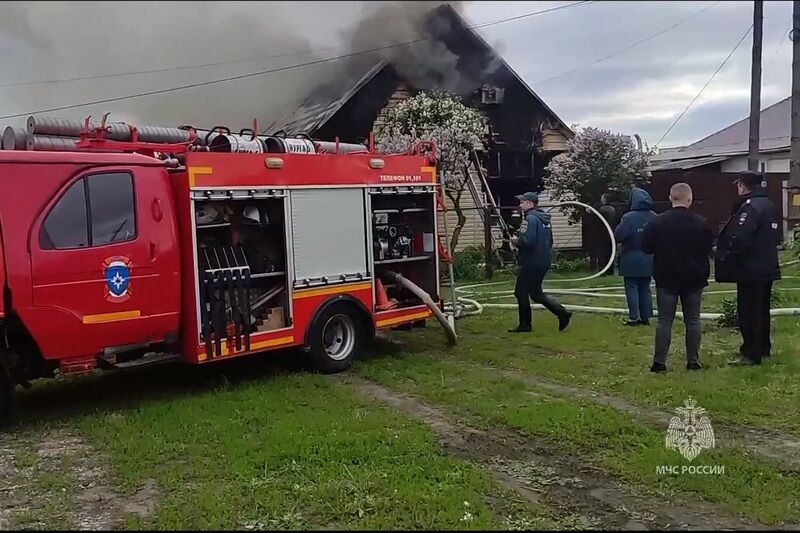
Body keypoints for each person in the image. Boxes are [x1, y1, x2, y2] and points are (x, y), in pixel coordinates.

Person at [642, 183, 714, 373]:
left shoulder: (658, 222)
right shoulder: (701, 222)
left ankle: (659, 362)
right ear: (690, 199)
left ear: (671, 198)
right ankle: (693, 361)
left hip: (666, 277)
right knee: (693, 320)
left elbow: (646, 247)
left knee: (664, 320)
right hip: (694, 277)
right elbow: (708, 248)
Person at [714, 171, 781, 366]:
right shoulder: (768, 203)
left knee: (749, 311)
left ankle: (751, 352)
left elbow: (741, 236)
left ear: (743, 186)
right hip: (766, 265)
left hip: (750, 268)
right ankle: (763, 347)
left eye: (739, 185)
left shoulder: (749, 207)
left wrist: (726, 255)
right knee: (761, 310)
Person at [508, 192, 572, 333]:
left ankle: (525, 324)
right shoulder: (544, 219)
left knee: (520, 292)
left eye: (522, 202)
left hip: (531, 261)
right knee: (536, 293)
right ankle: (562, 313)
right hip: (543, 260)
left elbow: (528, 241)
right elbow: (550, 240)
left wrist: (516, 241)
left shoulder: (530, 219)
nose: (520, 205)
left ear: (530, 204)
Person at [614, 187, 656, 326]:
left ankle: (634, 317)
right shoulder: (654, 216)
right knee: (645, 287)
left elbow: (619, 236)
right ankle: (646, 317)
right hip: (649, 258)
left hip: (630, 257)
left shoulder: (628, 217)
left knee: (631, 287)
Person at [598, 194, 617, 276]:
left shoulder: (602, 209)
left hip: (603, 234)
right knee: (610, 252)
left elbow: (598, 222)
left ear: (605, 200)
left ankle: (603, 270)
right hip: (611, 233)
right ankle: (610, 270)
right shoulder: (613, 209)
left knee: (603, 253)